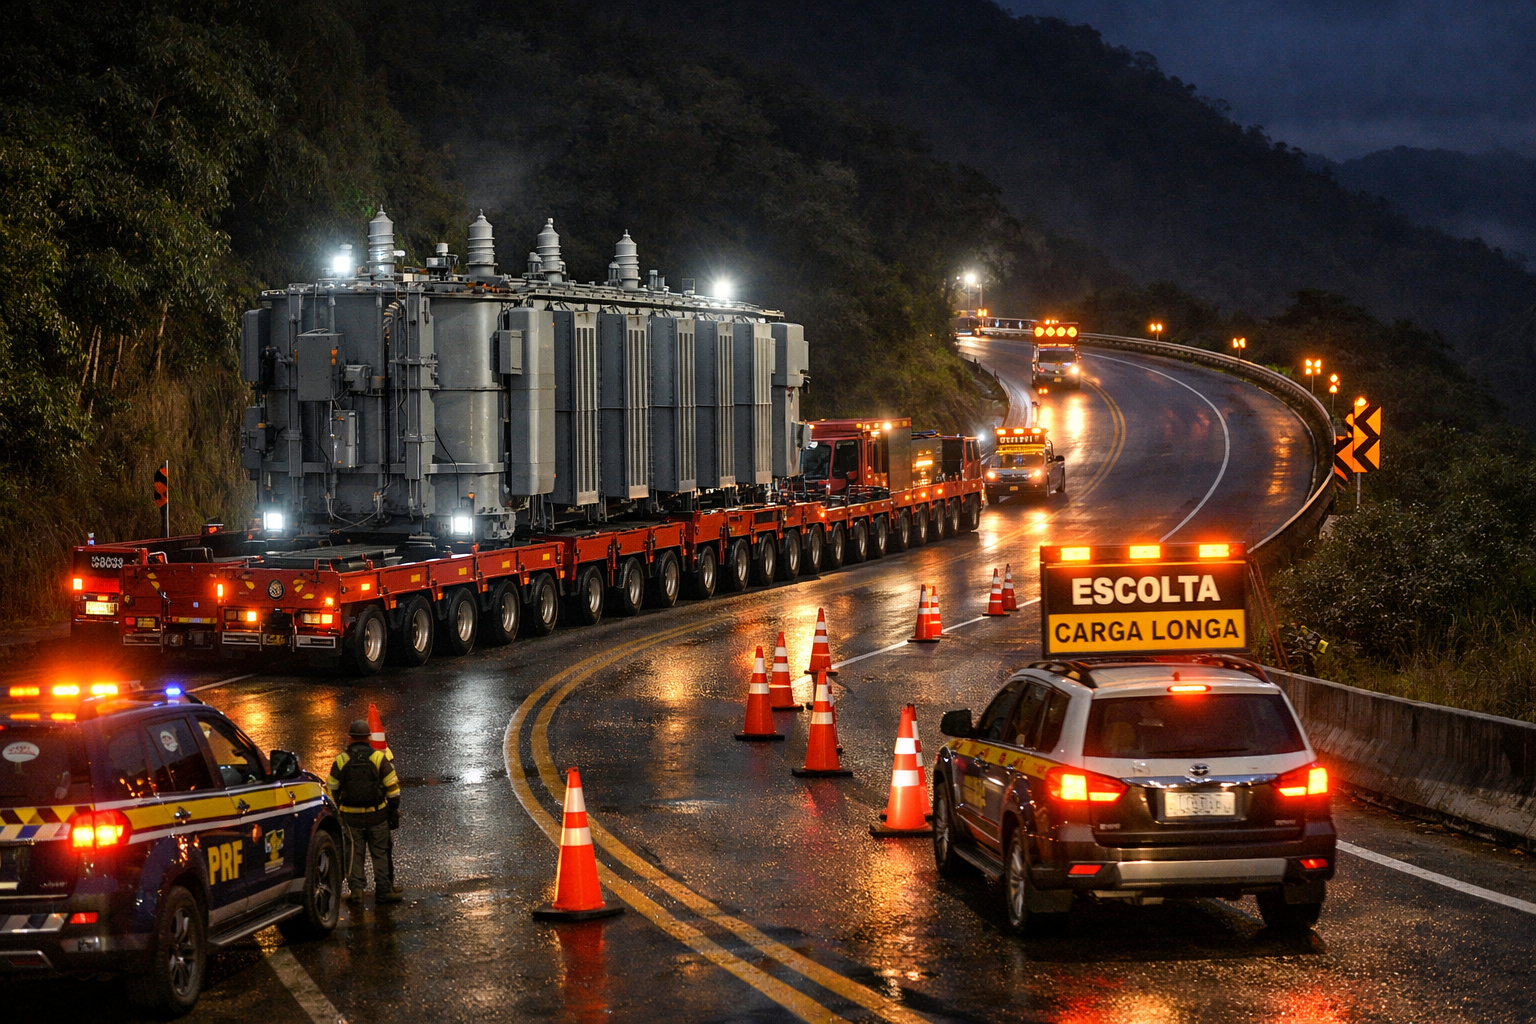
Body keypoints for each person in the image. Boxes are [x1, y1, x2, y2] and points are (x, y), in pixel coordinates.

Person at [326, 719, 403, 905]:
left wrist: (340, 808)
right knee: (380, 854)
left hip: (352, 819)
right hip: (377, 816)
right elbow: (393, 788)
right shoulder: (378, 758)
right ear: (368, 737)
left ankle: (357, 893)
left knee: (354, 854)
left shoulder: (341, 760)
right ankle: (383, 892)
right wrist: (391, 810)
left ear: (350, 738)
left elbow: (331, 787)